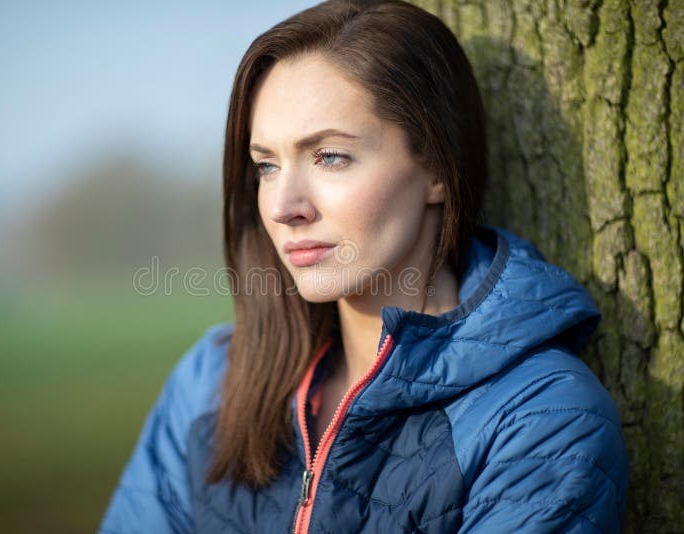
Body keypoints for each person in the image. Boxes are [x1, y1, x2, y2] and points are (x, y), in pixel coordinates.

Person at [99, 1, 628, 532]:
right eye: (267, 165)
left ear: (438, 168)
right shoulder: (209, 383)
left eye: (329, 156)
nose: (284, 206)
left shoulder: (541, 421)